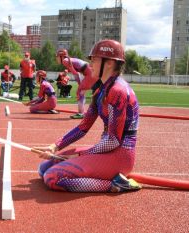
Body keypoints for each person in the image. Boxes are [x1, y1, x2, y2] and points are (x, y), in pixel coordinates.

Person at [33, 40, 141, 193]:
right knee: (44, 168)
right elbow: (83, 127)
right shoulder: (101, 90)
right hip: (106, 151)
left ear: (109, 63)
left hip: (120, 155)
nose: (90, 64)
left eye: (95, 60)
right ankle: (105, 177)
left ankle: (115, 185)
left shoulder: (118, 91)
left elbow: (113, 141)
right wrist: (55, 146)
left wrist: (79, 155)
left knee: (52, 177)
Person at [56, 49, 98, 119]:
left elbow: (75, 73)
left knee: (79, 92)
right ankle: (83, 112)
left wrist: (79, 83)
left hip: (90, 73)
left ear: (61, 56)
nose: (56, 58)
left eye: (57, 57)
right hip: (91, 71)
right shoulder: (69, 59)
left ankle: (81, 113)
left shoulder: (65, 61)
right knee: (81, 92)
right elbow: (78, 71)